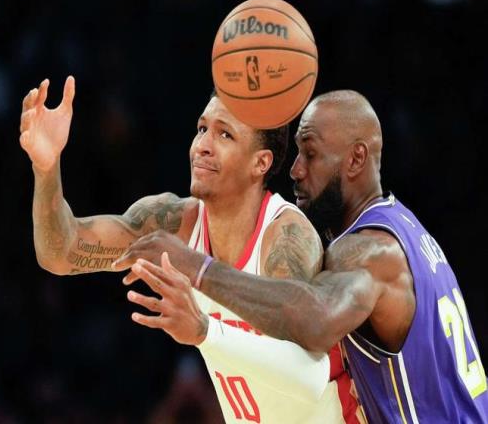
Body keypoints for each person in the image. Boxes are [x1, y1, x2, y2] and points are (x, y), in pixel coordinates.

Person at [116, 90, 488, 423]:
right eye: (297, 153)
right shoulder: (405, 227)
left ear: (356, 159)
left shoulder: (368, 251)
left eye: (310, 154)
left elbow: (315, 324)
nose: (295, 169)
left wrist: (198, 270)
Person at [19, 77, 363, 423]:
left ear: (260, 163)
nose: (203, 146)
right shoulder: (175, 223)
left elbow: (310, 377)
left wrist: (205, 330)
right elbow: (61, 253)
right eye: (202, 129)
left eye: (224, 134)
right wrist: (46, 168)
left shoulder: (286, 238)